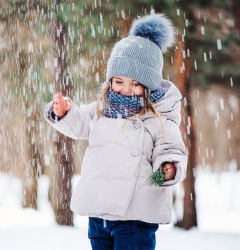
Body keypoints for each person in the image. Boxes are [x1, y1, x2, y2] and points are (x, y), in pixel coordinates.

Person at [45, 13, 188, 250]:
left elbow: (170, 149)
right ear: (110, 80)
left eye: (135, 84)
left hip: (136, 215)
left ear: (149, 86)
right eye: (119, 81)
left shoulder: (157, 119)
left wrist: (169, 167)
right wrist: (63, 112)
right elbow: (79, 122)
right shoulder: (101, 110)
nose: (125, 89)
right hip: (100, 212)